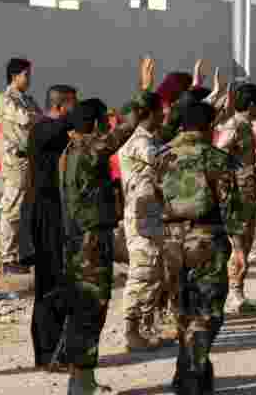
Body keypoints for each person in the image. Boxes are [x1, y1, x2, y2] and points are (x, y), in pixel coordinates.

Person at [59, 59, 150, 395]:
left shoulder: (70, 150)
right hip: (89, 242)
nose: (104, 127)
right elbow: (122, 132)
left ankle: (82, 378)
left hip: (77, 238)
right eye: (101, 122)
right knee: (90, 308)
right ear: (93, 125)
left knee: (85, 308)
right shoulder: (87, 149)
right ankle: (80, 382)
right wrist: (143, 92)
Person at [156, 101, 236, 394]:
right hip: (206, 240)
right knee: (206, 312)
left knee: (182, 309)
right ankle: (194, 376)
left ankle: (184, 371)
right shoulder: (216, 158)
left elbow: (153, 196)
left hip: (171, 241)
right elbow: (232, 206)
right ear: (208, 126)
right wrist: (239, 245)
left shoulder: (161, 156)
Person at [24, 84, 78, 372]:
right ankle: (48, 355)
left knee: (56, 283)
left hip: (53, 216)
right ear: (62, 106)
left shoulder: (50, 129)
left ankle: (53, 352)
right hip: (45, 219)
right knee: (51, 286)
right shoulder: (44, 129)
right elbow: (64, 127)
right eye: (74, 105)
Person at [117, 91, 167, 352]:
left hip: (151, 215)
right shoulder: (140, 143)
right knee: (142, 273)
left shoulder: (149, 139)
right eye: (161, 110)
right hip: (141, 217)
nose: (164, 114)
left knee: (154, 271)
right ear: (150, 113)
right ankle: (131, 332)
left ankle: (146, 327)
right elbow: (163, 165)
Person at [215, 83, 256, 313]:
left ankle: (238, 293)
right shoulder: (234, 126)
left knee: (245, 243)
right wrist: (228, 186)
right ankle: (233, 295)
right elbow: (219, 153)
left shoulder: (245, 126)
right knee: (238, 247)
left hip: (247, 196)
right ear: (252, 104)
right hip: (237, 198)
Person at [0, 57, 42, 275]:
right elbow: (27, 119)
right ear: (14, 76)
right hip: (15, 161)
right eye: (26, 75)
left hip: (30, 160)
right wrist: (37, 117)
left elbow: (41, 119)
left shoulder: (28, 99)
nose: (29, 79)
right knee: (12, 209)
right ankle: (8, 258)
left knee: (27, 209)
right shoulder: (6, 99)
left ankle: (23, 254)